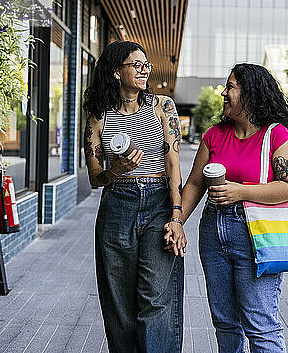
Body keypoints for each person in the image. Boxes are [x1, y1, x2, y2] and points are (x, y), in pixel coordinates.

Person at [166, 63, 288, 352]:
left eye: (231, 86)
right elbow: (195, 184)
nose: (224, 92)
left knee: (260, 323)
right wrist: (178, 219)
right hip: (213, 231)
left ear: (250, 93)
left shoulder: (277, 135)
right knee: (225, 322)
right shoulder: (215, 135)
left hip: (256, 233)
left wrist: (239, 191)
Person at [83, 41, 186, 353]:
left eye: (146, 65)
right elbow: (95, 177)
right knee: (120, 302)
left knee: (156, 297)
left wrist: (176, 215)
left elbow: (172, 163)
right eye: (136, 65)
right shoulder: (99, 115)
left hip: (158, 203)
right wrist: (117, 171)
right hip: (117, 204)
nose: (144, 70)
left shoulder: (162, 107)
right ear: (117, 72)